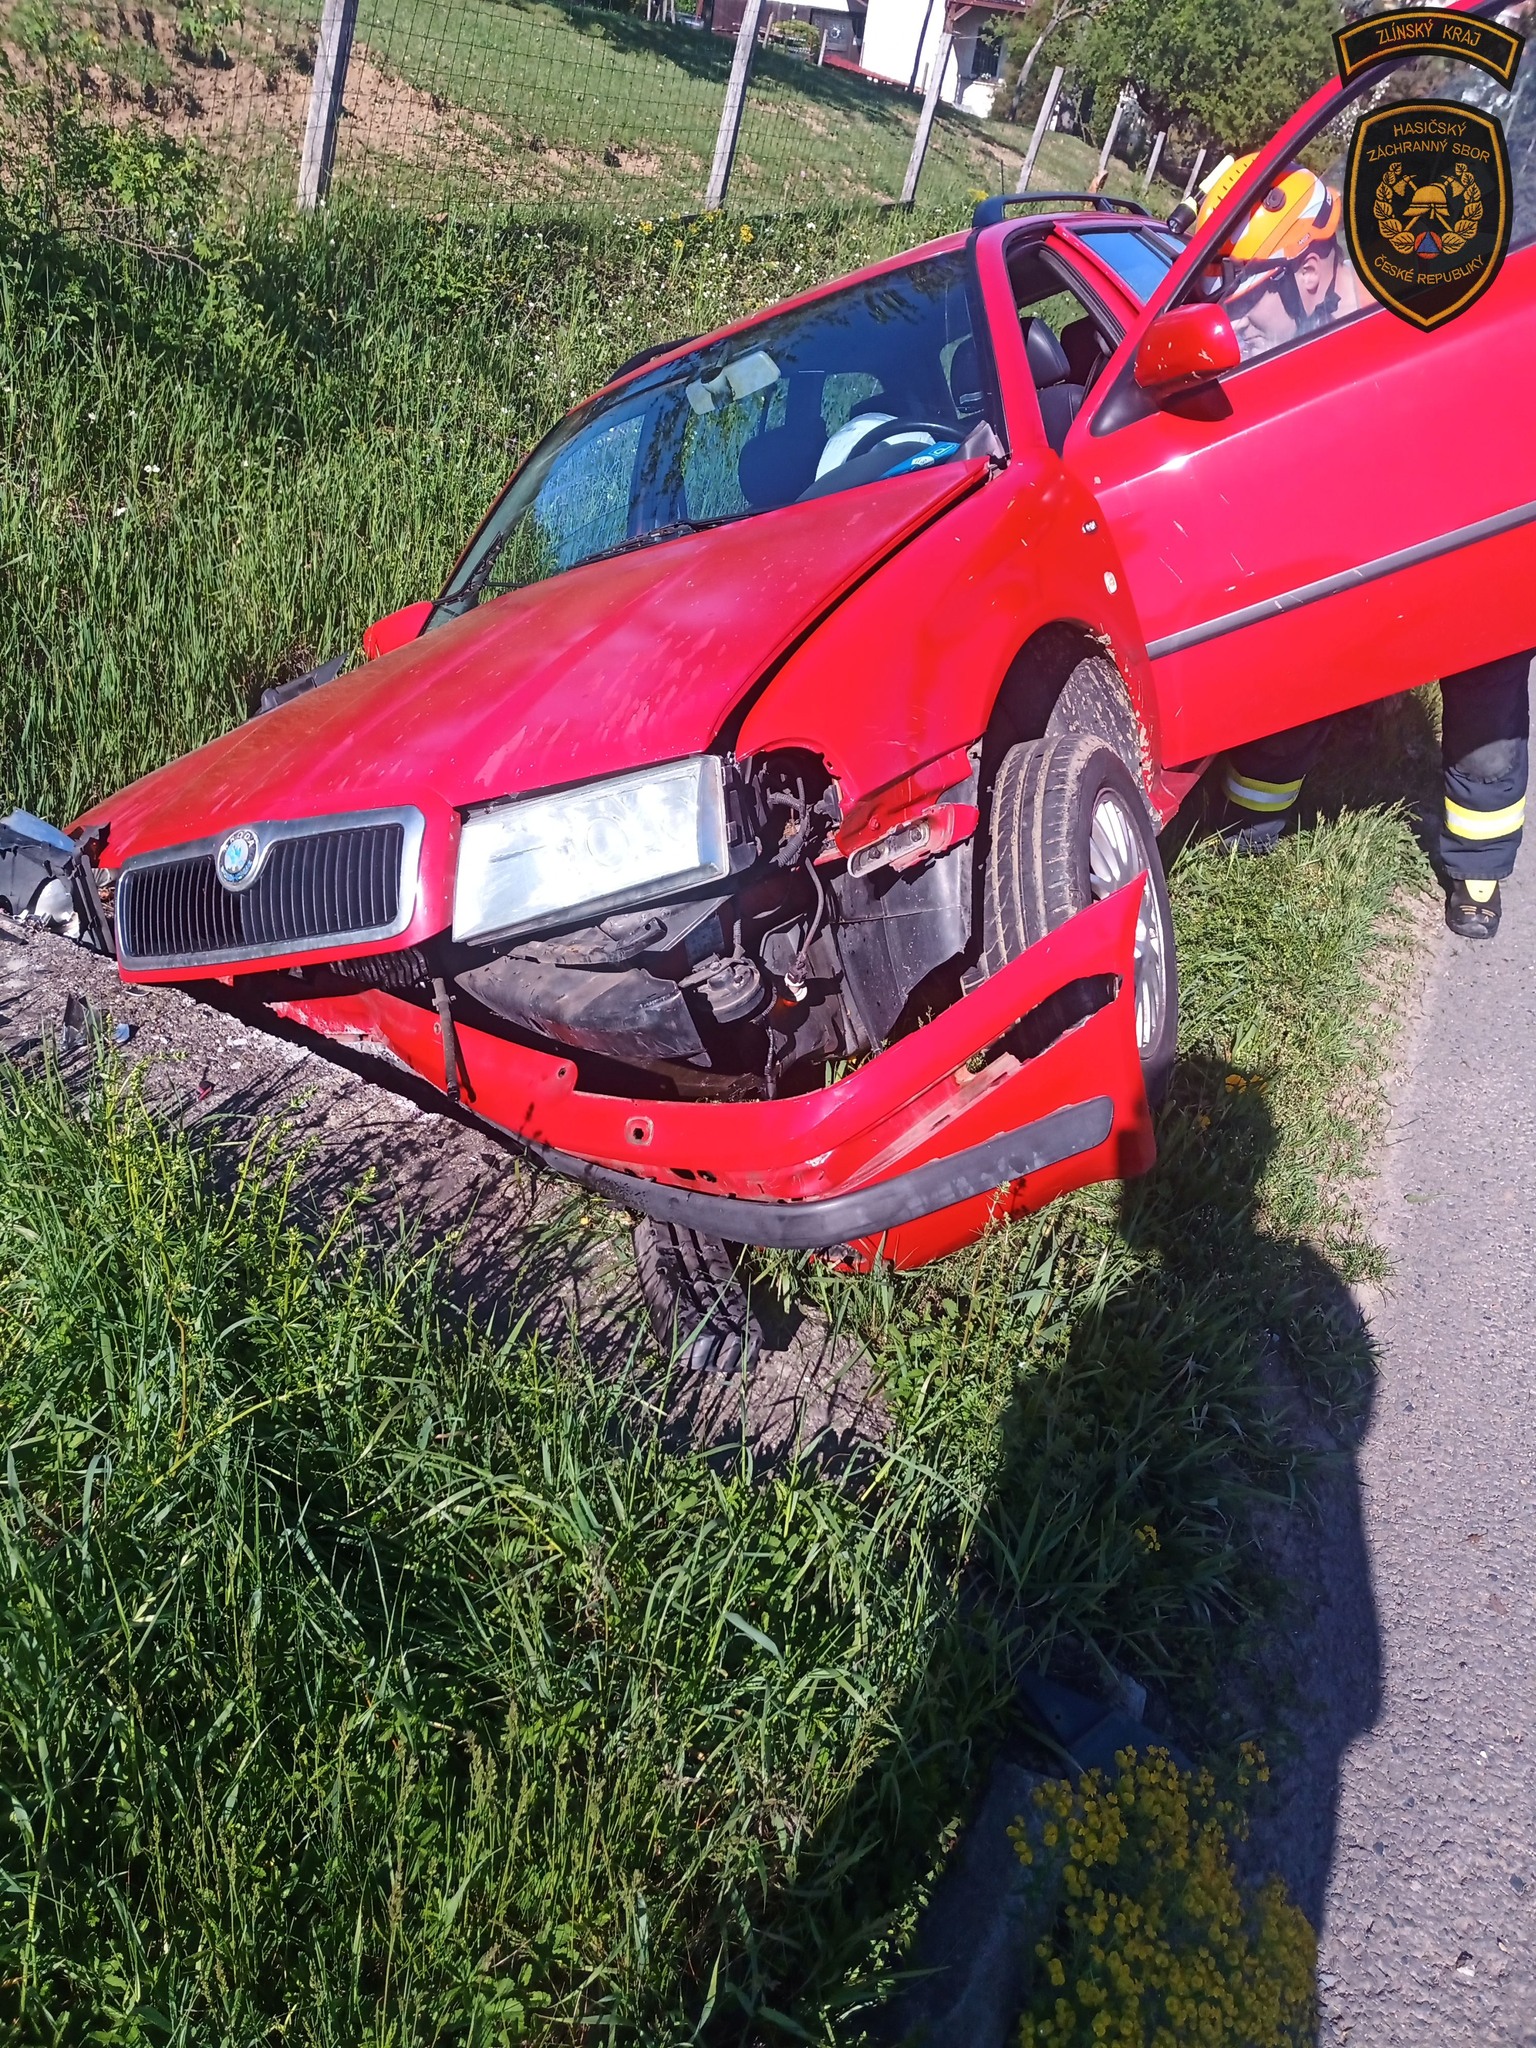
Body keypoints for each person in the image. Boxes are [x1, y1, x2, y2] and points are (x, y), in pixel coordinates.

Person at [1186, 160, 1531, 938]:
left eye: (1238, 294)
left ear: (1309, 273)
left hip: (1466, 537)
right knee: (1300, 660)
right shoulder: (1290, 342)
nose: (1229, 322)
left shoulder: (1419, 314)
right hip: (1356, 548)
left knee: (1488, 693)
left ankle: (1477, 874)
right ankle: (1247, 832)